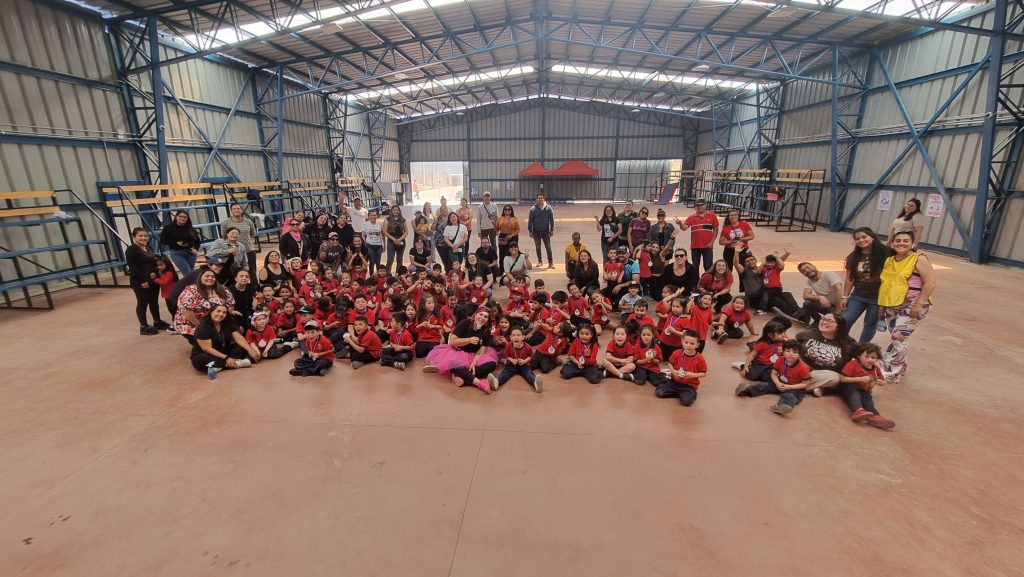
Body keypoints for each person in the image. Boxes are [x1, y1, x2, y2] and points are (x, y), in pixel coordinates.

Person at [877, 230, 936, 382]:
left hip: (913, 304)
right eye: (898, 240)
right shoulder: (890, 260)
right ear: (892, 243)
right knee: (897, 337)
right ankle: (896, 365)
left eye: (905, 241)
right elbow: (886, 284)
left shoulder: (919, 258)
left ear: (913, 244)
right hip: (892, 303)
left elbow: (930, 282)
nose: (901, 243)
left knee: (898, 337)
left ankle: (893, 372)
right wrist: (882, 306)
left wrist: (919, 304)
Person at [425, 306, 501, 394]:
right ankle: (480, 383)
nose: (482, 318)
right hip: (457, 352)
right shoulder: (465, 323)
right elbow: (452, 342)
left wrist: (474, 361)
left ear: (487, 320)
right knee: (453, 363)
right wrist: (469, 340)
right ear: (475, 315)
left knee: (492, 364)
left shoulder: (486, 330)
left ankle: (460, 375)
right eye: (481, 314)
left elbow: (482, 348)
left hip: (473, 355)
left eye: (486, 317)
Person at [735, 339, 812, 416]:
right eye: (788, 351)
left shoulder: (803, 367)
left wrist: (789, 387)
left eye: (795, 352)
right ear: (783, 352)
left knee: (790, 395)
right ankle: (746, 390)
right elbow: (773, 374)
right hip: (780, 383)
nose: (791, 354)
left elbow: (806, 384)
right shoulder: (780, 360)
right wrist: (777, 383)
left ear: (799, 354)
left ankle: (783, 406)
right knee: (765, 385)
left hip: (795, 387)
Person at [841, 227, 889, 343]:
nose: (861, 240)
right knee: (845, 320)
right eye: (857, 239)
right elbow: (850, 278)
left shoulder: (886, 253)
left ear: (872, 236)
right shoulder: (854, 257)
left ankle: (862, 347)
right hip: (858, 296)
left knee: (869, 324)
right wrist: (845, 296)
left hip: (878, 299)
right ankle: (842, 344)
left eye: (864, 237)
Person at [795, 312, 857, 395]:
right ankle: (813, 386)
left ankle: (794, 385)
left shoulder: (848, 344)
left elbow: (862, 356)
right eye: (823, 319)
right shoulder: (811, 333)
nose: (824, 322)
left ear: (839, 326)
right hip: (803, 367)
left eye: (829, 321)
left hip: (823, 374)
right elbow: (795, 344)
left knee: (835, 378)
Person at [839, 343, 896, 429]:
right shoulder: (853, 364)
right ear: (859, 356)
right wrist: (860, 379)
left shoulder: (876, 369)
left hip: (864, 390)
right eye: (866, 356)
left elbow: (882, 380)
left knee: (868, 402)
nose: (869, 360)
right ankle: (858, 410)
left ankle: (876, 417)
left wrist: (882, 382)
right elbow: (842, 378)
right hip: (849, 387)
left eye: (873, 358)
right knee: (854, 394)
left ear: (877, 359)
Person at [125, 227, 169, 335]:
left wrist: (156, 272)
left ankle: (157, 321)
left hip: (152, 280)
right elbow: (133, 268)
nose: (143, 238)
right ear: (134, 237)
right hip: (140, 281)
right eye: (140, 235)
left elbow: (152, 262)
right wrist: (142, 281)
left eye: (145, 236)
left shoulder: (148, 247)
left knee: (153, 301)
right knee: (142, 302)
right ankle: (143, 326)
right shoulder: (131, 249)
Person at [174, 266, 235, 342]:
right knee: (209, 341)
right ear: (200, 278)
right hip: (192, 324)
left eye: (212, 277)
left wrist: (222, 320)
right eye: (207, 276)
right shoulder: (191, 291)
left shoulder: (223, 289)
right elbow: (187, 312)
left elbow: (231, 304)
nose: (210, 278)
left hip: (216, 321)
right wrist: (202, 327)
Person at [189, 304, 256, 372]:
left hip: (222, 351)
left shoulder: (227, 322)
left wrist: (251, 350)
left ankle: (220, 365)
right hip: (207, 354)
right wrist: (226, 358)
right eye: (218, 311)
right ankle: (233, 363)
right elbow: (207, 349)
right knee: (200, 359)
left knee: (243, 347)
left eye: (224, 312)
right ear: (211, 312)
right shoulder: (203, 326)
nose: (221, 314)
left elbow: (238, 338)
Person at [656, 330, 706, 406]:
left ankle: (685, 394)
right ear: (682, 342)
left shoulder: (700, 358)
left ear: (697, 345)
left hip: (689, 385)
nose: (688, 345)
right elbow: (670, 363)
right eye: (686, 342)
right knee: (659, 392)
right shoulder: (676, 353)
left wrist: (692, 375)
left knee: (686, 402)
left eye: (692, 343)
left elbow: (703, 373)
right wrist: (673, 371)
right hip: (674, 382)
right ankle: (681, 394)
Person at [488, 326, 542, 392]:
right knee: (505, 373)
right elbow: (506, 356)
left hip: (524, 365)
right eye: (513, 335)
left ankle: (536, 384)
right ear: (511, 337)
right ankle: (496, 382)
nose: (516, 337)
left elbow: (530, 356)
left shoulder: (527, 347)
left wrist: (524, 361)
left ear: (523, 337)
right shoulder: (508, 345)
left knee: (529, 374)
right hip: (511, 365)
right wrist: (512, 360)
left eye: (518, 335)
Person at [675, 200, 719, 273]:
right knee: (695, 266)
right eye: (698, 205)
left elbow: (715, 229)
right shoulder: (691, 217)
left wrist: (712, 242)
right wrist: (680, 224)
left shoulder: (712, 215)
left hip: (707, 245)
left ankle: (707, 280)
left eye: (701, 205)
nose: (699, 207)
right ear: (695, 207)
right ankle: (695, 280)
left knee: (708, 266)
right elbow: (684, 228)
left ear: (705, 205)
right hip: (695, 246)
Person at [221, 202, 258, 279]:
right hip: (233, 253)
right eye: (234, 209)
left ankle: (254, 286)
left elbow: (252, 234)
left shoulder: (248, 222)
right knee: (234, 273)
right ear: (231, 211)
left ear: (242, 210)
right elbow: (224, 236)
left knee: (252, 272)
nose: (236, 210)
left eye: (238, 208)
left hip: (249, 250)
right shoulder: (225, 223)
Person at [527, 194, 555, 268]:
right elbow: (530, 221)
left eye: (541, 198)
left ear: (544, 199)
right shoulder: (532, 209)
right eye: (538, 198)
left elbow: (552, 220)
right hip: (536, 232)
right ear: (536, 199)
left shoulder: (548, 208)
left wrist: (552, 229)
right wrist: (530, 231)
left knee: (548, 247)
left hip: (545, 231)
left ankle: (550, 262)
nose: (540, 199)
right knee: (538, 247)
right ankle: (540, 261)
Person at [383, 204, 408, 274]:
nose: (396, 211)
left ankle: (398, 275)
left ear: (399, 211)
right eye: (394, 210)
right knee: (390, 259)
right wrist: (394, 239)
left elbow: (406, 232)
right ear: (391, 211)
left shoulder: (403, 220)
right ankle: (388, 275)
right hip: (391, 241)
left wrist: (400, 239)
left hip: (401, 241)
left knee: (399, 260)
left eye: (397, 210)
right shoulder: (387, 219)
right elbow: (384, 231)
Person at [496, 204, 520, 273]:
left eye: (509, 209)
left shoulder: (514, 219)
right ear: (503, 211)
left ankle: (512, 270)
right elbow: (497, 229)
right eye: (505, 209)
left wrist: (511, 235)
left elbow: (518, 230)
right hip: (502, 237)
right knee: (502, 253)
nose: (507, 211)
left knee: (512, 253)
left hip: (513, 237)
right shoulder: (500, 218)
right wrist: (493, 224)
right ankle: (501, 270)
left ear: (511, 210)